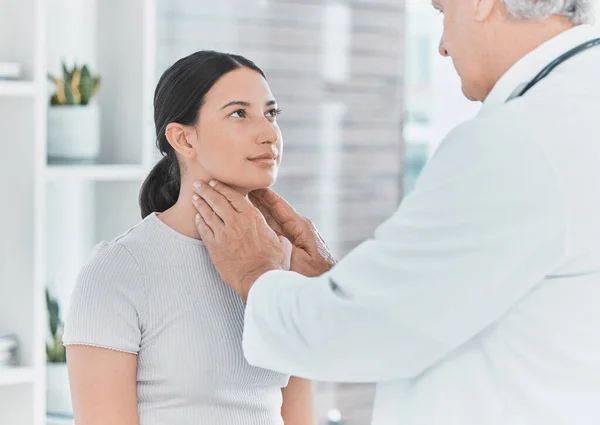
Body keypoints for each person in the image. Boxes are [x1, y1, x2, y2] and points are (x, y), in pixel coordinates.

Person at [189, 0, 600, 423]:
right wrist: (333, 287)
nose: (442, 46)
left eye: (442, 13)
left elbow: (365, 333)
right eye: (238, 113)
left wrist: (256, 272)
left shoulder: (518, 142)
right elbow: (451, 298)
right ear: (182, 139)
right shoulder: (574, 109)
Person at [62, 51, 313, 425]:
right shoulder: (119, 270)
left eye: (271, 113)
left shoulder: (282, 266)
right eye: (239, 113)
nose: (268, 133)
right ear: (183, 138)